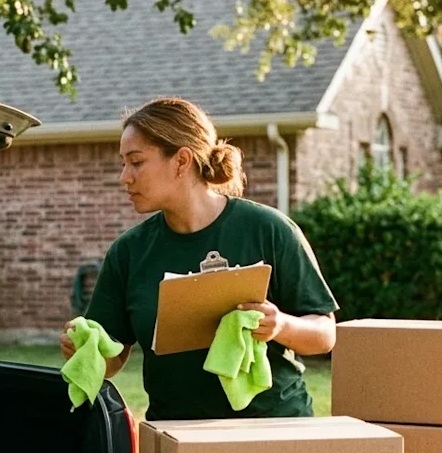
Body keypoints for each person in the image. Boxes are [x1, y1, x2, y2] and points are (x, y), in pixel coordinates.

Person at [60, 97, 339, 421]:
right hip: (178, 435)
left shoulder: (269, 230)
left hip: (274, 429)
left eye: (136, 162)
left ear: (181, 161)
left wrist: (280, 325)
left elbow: (325, 334)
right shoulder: (129, 252)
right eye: (123, 163)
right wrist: (82, 349)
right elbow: (111, 360)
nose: (125, 176)